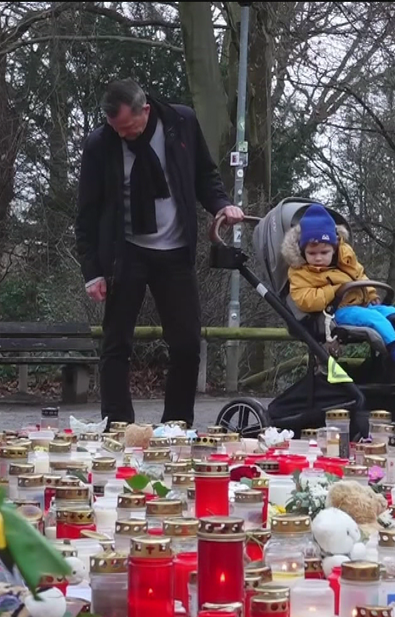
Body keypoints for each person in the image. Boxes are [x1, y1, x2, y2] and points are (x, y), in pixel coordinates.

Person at [73, 79, 243, 426]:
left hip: (176, 252)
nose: (122, 136)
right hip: (126, 252)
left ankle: (176, 426)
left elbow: (205, 176)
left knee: (187, 345)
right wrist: (92, 271)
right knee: (116, 343)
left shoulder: (181, 122)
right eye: (115, 129)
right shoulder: (100, 144)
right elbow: (87, 213)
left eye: (128, 128)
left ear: (145, 110)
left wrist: (222, 206)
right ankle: (117, 424)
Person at [282, 203, 395, 377]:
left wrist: (370, 293)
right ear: (303, 251)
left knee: (392, 312)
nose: (319, 258)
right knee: (373, 318)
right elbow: (305, 300)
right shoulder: (300, 272)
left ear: (334, 248)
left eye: (324, 252)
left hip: (360, 305)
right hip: (333, 312)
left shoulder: (344, 259)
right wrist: (335, 290)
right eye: (312, 253)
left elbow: (359, 275)